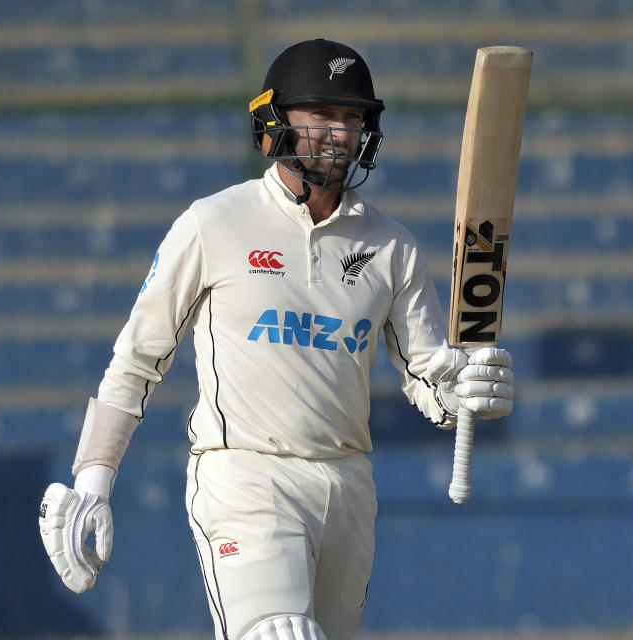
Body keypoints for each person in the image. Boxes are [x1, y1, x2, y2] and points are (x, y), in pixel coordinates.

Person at [39, 39, 514, 640]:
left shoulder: (392, 248)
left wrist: (468, 392)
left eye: (351, 117)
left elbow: (430, 381)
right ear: (274, 121)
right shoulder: (214, 222)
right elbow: (137, 358)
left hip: (347, 486)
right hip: (244, 475)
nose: (339, 132)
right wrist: (93, 482)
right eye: (321, 115)